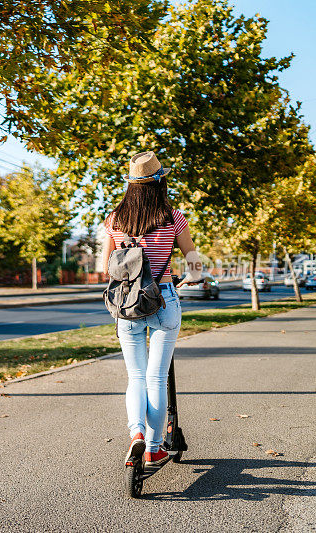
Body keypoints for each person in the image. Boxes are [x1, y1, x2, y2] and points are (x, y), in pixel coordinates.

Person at [102, 151, 203, 467]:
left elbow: (108, 267)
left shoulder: (114, 219)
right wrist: (192, 277)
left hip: (128, 303)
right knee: (157, 377)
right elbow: (193, 260)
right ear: (160, 181)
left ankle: (136, 434)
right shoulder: (173, 217)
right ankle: (155, 447)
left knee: (136, 377)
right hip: (164, 300)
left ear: (131, 184)